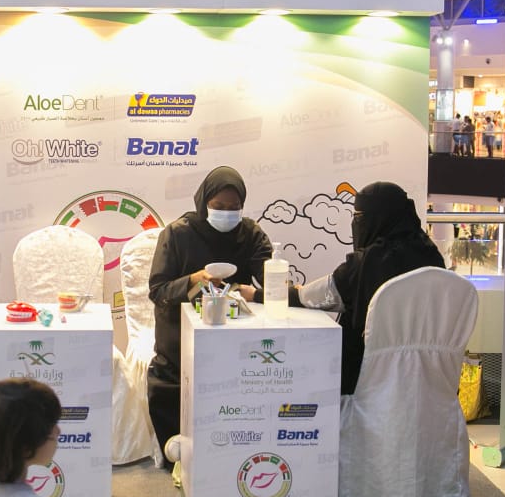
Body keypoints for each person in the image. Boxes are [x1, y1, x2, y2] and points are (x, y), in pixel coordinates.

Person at [146, 166, 272, 463]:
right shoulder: (177, 233)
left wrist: (271, 285)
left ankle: (233, 447)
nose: (227, 213)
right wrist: (195, 279)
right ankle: (179, 453)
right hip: (180, 337)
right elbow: (158, 290)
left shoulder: (250, 233)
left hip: (234, 335)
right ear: (203, 203)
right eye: (219, 206)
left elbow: (270, 279)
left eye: (234, 207)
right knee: (169, 383)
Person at [290, 181, 444, 394]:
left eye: (359, 216)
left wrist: (260, 293)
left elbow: (313, 296)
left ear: (376, 218)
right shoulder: (433, 256)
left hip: (370, 386)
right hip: (430, 383)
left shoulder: (367, 263)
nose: (356, 223)